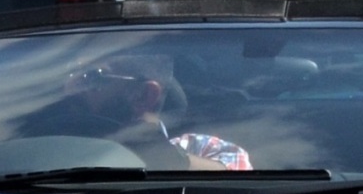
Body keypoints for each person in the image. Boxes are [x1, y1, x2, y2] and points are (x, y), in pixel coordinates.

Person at [31, 53, 251, 170]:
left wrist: (153, 152)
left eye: (92, 77)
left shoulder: (202, 148)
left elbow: (235, 184)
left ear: (144, 95)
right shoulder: (32, 148)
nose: (70, 88)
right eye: (71, 74)